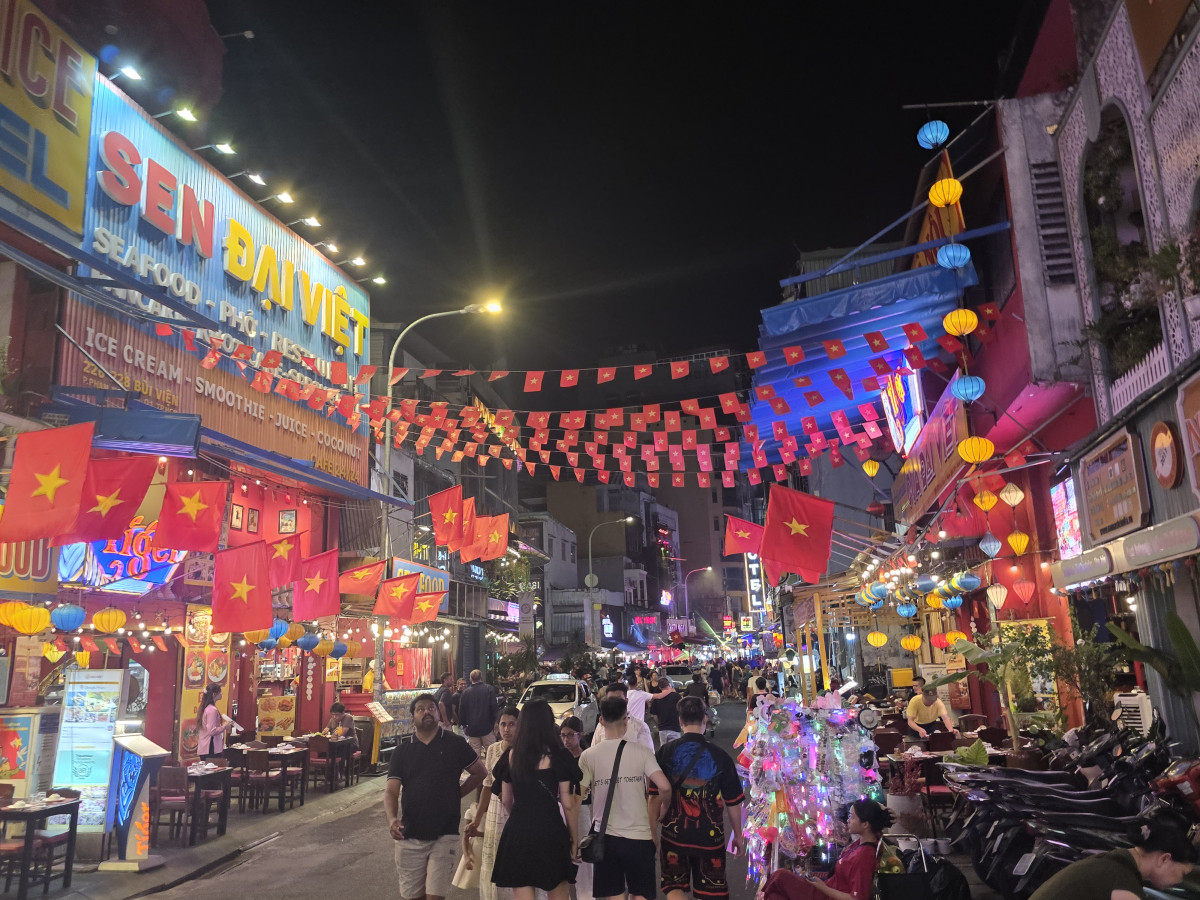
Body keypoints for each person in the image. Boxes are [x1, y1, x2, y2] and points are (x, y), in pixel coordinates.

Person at [385, 693, 487, 900]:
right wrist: (392, 819)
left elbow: (480, 772)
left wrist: (457, 793)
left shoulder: (455, 743)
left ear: (439, 714)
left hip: (444, 832)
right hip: (409, 835)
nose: (427, 712)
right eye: (420, 709)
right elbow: (391, 791)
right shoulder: (402, 751)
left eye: (431, 708)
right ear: (412, 718)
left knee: (435, 897)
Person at [579, 693, 672, 900]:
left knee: (614, 894)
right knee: (640, 893)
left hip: (605, 836)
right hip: (639, 836)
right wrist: (664, 809)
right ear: (625, 719)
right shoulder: (642, 752)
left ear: (601, 721)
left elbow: (578, 796)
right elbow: (664, 787)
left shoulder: (588, 756)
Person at [651, 696, 745, 900]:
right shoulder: (720, 756)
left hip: (673, 835)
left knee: (674, 887)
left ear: (680, 720)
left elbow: (654, 797)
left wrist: (652, 833)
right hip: (710, 838)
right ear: (705, 719)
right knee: (711, 892)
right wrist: (738, 835)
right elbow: (733, 802)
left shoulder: (665, 752)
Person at [490, 699, 583, 900]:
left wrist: (519, 817)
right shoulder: (559, 755)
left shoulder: (511, 755)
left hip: (518, 830)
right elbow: (568, 803)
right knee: (557, 890)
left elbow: (506, 800)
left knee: (522, 888)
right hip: (551, 830)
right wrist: (574, 838)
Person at [1027, 815, 1197, 900]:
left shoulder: (1116, 863)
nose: (1179, 880)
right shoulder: (1123, 882)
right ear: (1164, 859)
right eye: (1182, 873)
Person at [761, 800, 893, 900]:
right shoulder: (867, 839)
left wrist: (823, 888)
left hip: (826, 895)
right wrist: (883, 813)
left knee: (780, 877)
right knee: (777, 886)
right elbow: (876, 812)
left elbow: (857, 898)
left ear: (865, 824)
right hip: (826, 887)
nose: (848, 820)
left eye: (852, 817)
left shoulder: (864, 855)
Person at [466, 705, 520, 900]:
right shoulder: (492, 750)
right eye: (503, 724)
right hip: (495, 815)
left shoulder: (526, 751)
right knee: (494, 861)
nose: (506, 729)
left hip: (517, 812)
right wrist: (477, 819)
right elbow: (487, 787)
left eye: (512, 724)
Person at [560, 716, 593, 900]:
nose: (566, 740)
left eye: (570, 735)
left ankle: (586, 895)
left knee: (583, 857)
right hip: (562, 811)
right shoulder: (559, 758)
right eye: (563, 735)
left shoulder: (586, 758)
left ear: (580, 735)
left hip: (583, 811)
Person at [591, 682, 654, 750]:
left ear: (626, 701)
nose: (614, 704)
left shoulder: (640, 727)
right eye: (611, 700)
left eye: (618, 700)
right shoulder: (600, 726)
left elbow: (649, 754)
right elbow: (594, 750)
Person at [459, 669, 501, 755]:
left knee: (475, 754)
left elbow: (461, 710)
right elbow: (494, 707)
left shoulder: (465, 693)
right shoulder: (489, 689)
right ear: (481, 677)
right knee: (491, 753)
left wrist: (464, 725)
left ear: (470, 679)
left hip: (472, 729)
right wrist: (496, 723)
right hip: (488, 728)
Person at [197, 684, 231, 759]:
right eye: (220, 692)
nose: (221, 694)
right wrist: (224, 727)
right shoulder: (212, 710)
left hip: (205, 747)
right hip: (211, 747)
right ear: (214, 694)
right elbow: (212, 731)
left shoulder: (206, 708)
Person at [651, 675, 682, 746]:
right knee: (675, 749)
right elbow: (682, 711)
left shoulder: (656, 699)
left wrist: (659, 725)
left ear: (659, 687)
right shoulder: (676, 696)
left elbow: (655, 715)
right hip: (675, 728)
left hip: (662, 728)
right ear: (669, 685)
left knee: (664, 749)